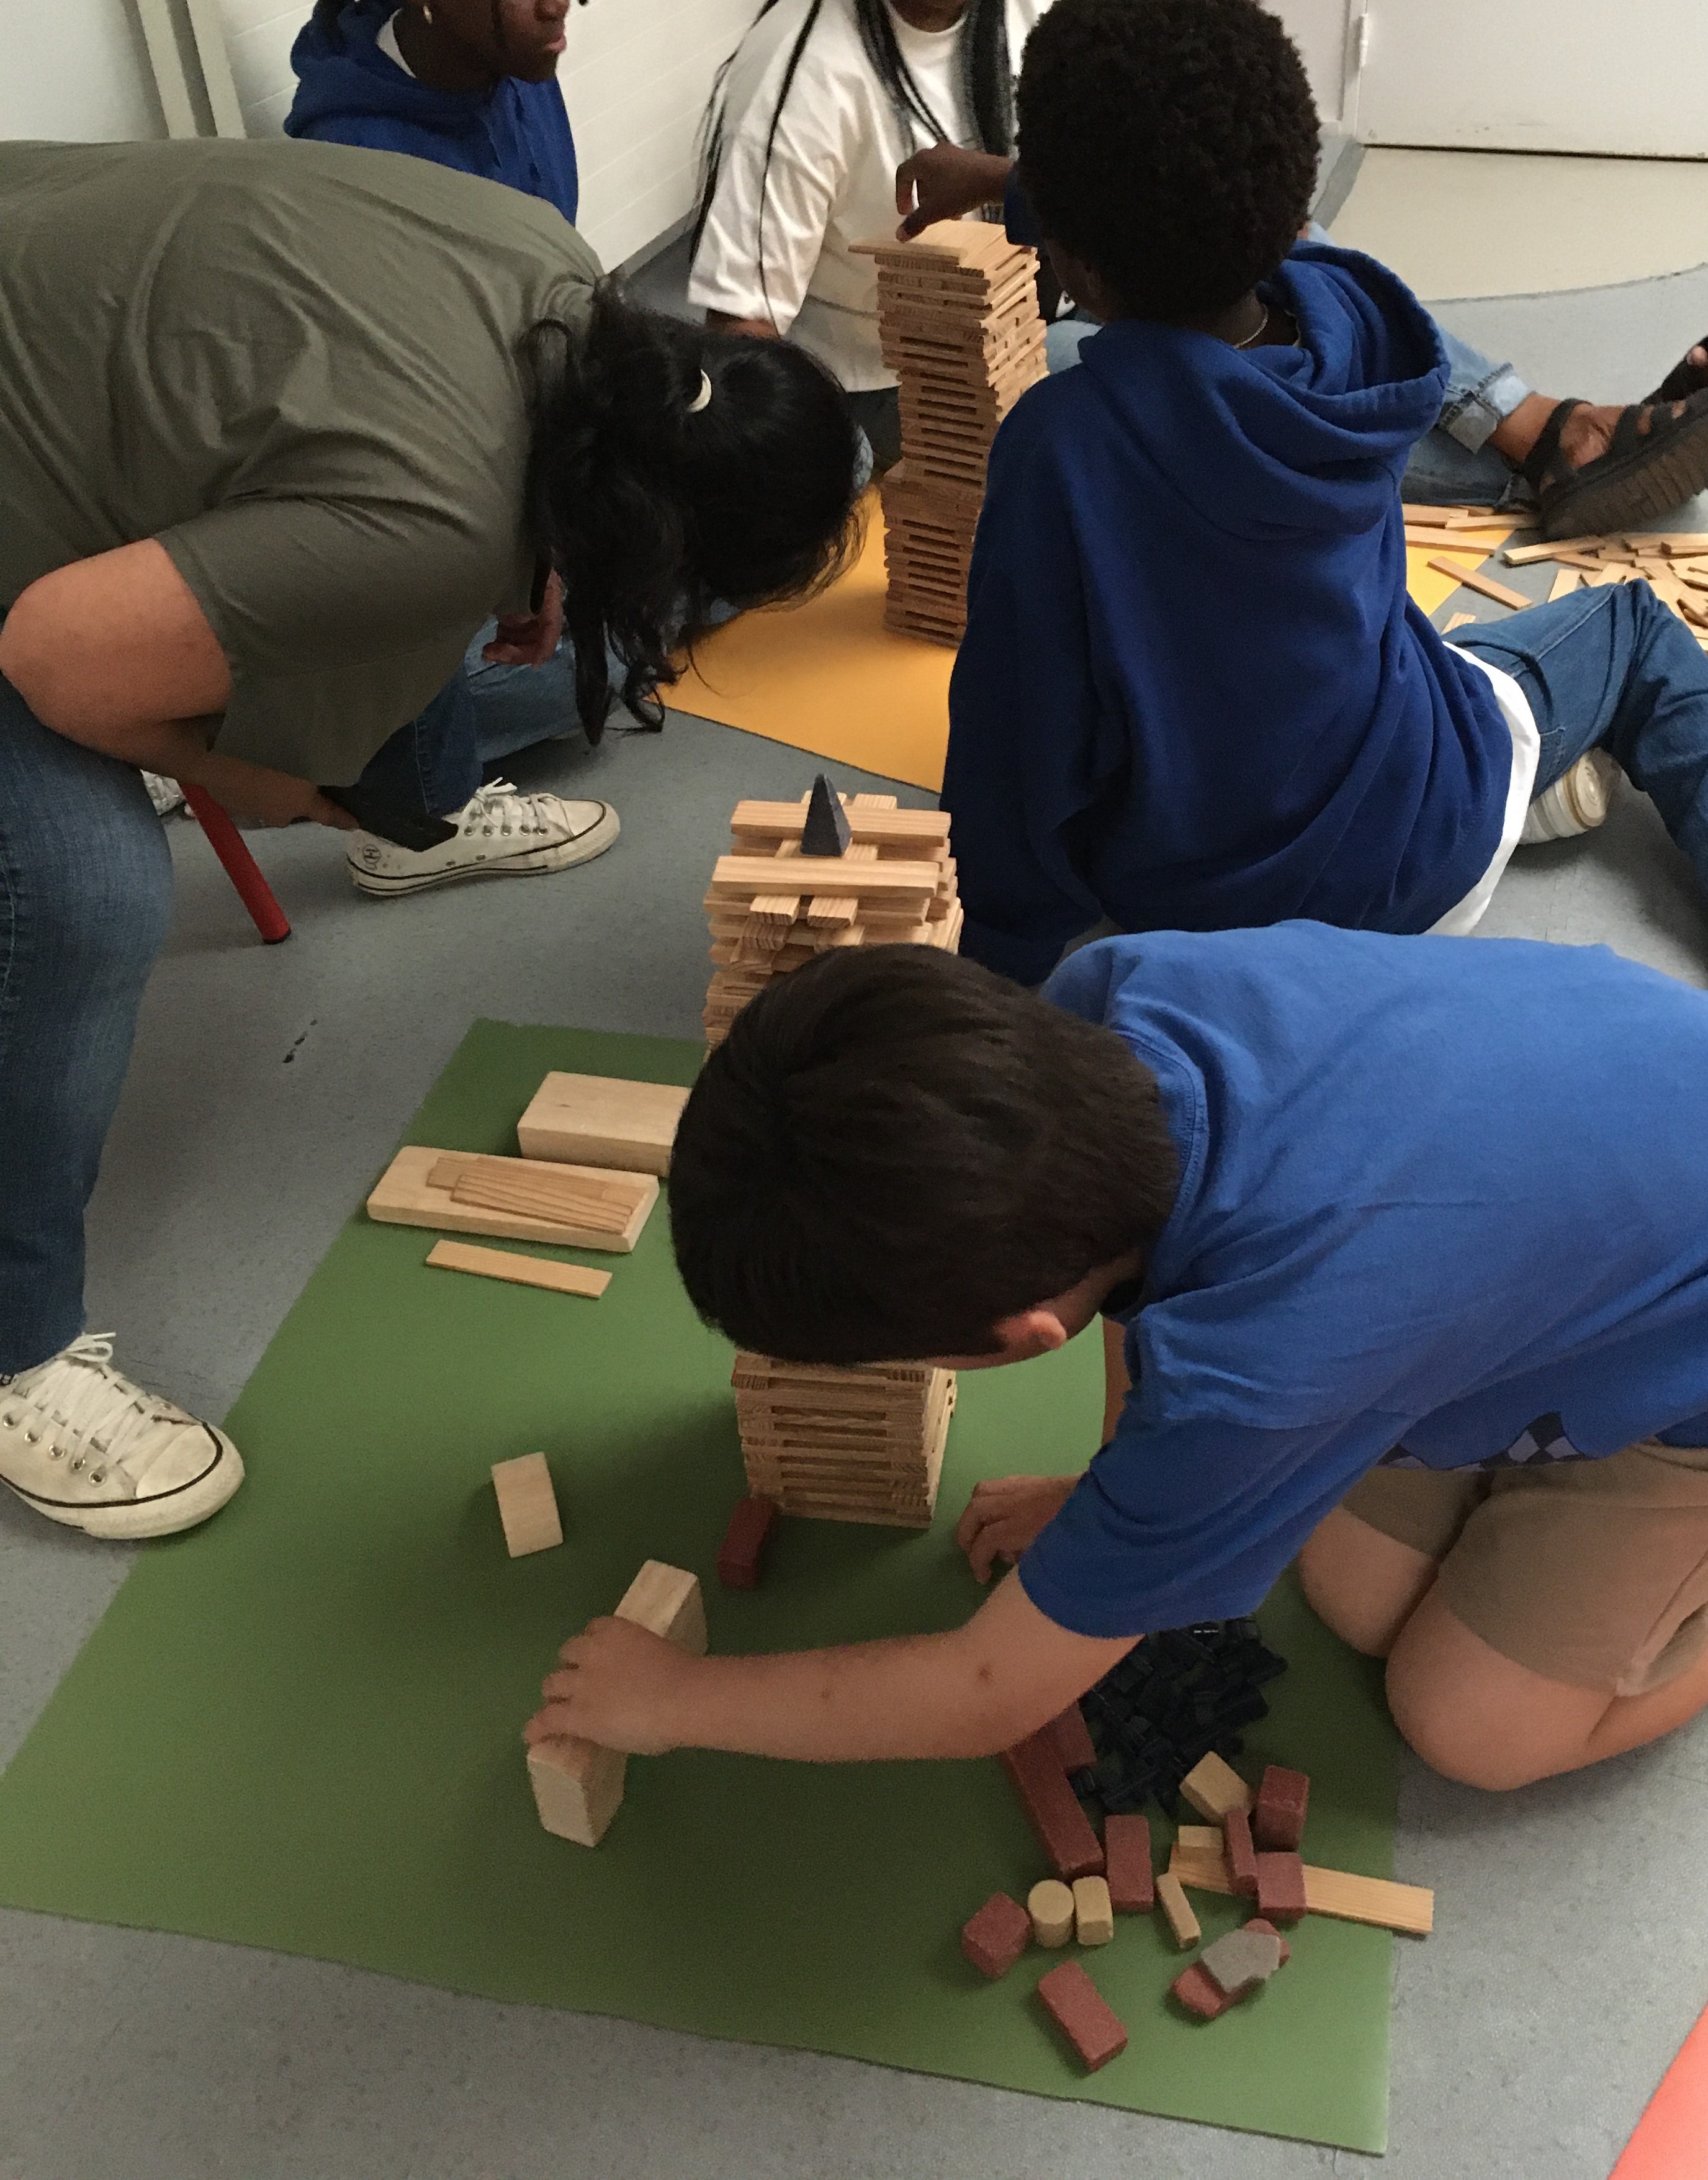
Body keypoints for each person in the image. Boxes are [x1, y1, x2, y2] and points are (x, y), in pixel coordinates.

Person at [0, 137, 859, 1540]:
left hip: (46, 306)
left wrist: (536, 559)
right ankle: (14, 1348)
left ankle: (411, 820)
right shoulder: (440, 522)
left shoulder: (560, 275)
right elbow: (47, 659)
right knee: (85, 889)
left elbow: (381, 456)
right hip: (28, 557)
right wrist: (234, 776)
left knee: (445, 587)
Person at [525, 935, 1708, 1792]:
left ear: (1014, 1341)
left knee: (1470, 1724)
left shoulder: (1264, 1372)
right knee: (1352, 1592)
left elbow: (983, 1692)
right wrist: (1107, 1493)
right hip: (1617, 1187)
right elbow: (1139, 1283)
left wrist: (679, 1700)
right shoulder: (1109, 999)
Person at [937, 0, 1708, 1043]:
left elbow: (1014, 741)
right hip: (1424, 842)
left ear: (1073, 258)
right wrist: (1029, 193)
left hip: (1198, 929)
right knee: (1624, 631)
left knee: (1358, 663)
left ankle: (1544, 793)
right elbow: (1262, 225)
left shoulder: (1056, 446)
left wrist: (994, 969)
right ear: (1292, 201)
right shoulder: (1364, 327)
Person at [899, 140, 1708, 534]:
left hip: (1092, 275)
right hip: (972, 356)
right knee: (1129, 377)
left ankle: (1545, 435)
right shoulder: (808, 82)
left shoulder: (1011, 23)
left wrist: (1001, 177)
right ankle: (1550, 444)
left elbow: (1138, 169)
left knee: (1288, 243)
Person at [284, 0, 628, 898]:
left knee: (781, 477)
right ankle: (412, 810)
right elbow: (391, 456)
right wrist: (536, 555)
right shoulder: (359, 165)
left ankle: (279, 717)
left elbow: (539, 311)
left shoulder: (513, 61)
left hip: (501, 457)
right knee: (609, 655)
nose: (564, 6)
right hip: (403, 499)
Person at [688, 0, 1047, 472]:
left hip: (1010, 337)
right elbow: (740, 332)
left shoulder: (1031, 14)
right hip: (871, 385)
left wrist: (999, 180)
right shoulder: (806, 69)